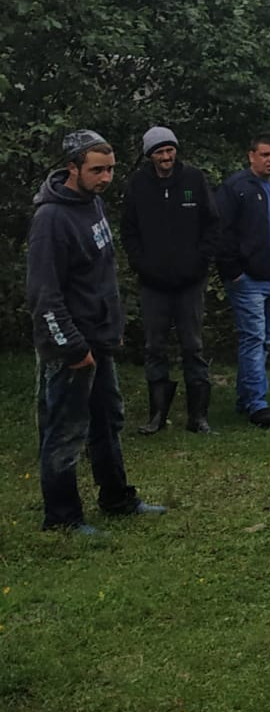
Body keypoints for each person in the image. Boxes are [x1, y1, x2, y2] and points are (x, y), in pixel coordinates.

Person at [26, 130, 167, 535]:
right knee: (65, 429)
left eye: (110, 170)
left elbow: (99, 277)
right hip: (70, 346)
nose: (105, 178)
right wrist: (71, 347)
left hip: (100, 340)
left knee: (107, 421)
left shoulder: (94, 204)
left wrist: (111, 329)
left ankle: (117, 498)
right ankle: (63, 518)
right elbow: (43, 294)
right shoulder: (50, 220)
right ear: (72, 168)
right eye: (96, 170)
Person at [121, 126, 221, 435]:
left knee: (193, 346)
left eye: (170, 150)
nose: (166, 157)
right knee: (155, 346)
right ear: (150, 155)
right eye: (159, 152)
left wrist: (200, 262)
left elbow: (212, 224)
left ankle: (198, 417)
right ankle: (157, 416)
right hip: (153, 283)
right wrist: (142, 265)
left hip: (190, 281)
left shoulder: (193, 179)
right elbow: (129, 231)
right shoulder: (138, 184)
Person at [216, 134, 270, 428]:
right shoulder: (236, 188)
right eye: (266, 154)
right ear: (251, 156)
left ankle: (246, 396)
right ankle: (258, 404)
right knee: (253, 337)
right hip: (248, 278)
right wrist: (233, 270)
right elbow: (221, 231)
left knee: (265, 339)